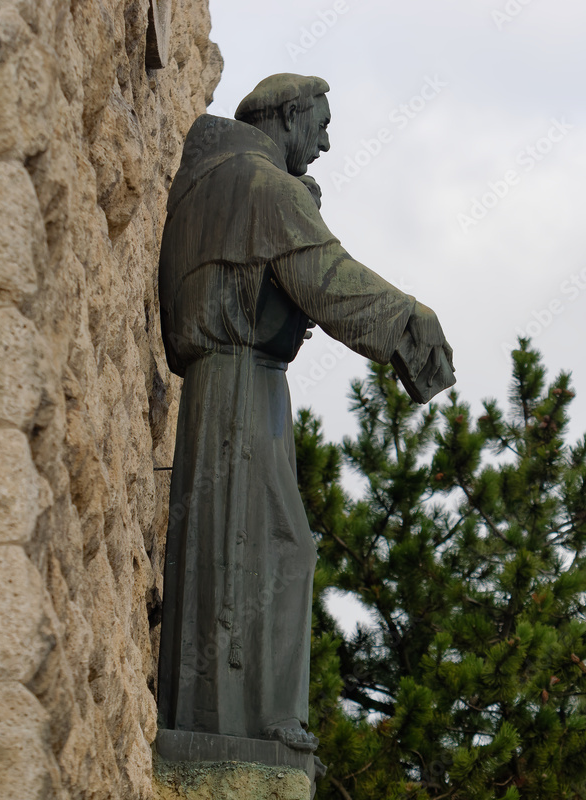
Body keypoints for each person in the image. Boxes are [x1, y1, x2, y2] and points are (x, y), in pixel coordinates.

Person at [156, 73, 454, 759]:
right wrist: (413, 325)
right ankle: (249, 725)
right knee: (270, 545)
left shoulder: (209, 183)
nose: (325, 141)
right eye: (317, 124)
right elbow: (328, 278)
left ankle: (221, 715)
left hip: (223, 386)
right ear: (288, 116)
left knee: (237, 541)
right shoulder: (264, 188)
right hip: (242, 388)